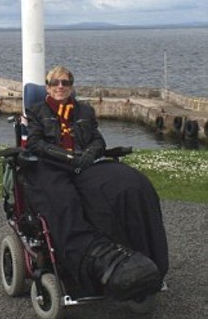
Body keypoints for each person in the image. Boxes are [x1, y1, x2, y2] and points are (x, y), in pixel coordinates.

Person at [24, 65, 169, 301]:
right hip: (51, 165)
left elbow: (97, 140)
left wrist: (87, 156)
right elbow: (34, 144)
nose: (61, 87)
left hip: (85, 164)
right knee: (64, 200)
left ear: (71, 86)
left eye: (66, 83)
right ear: (48, 87)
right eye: (55, 83)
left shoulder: (84, 111)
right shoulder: (36, 111)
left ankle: (143, 255)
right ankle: (88, 260)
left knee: (132, 183)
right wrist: (67, 157)